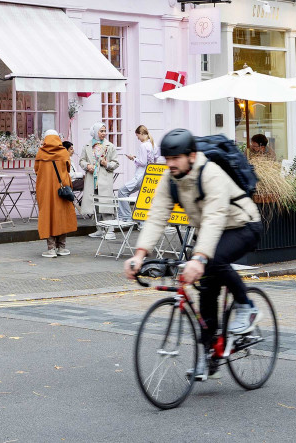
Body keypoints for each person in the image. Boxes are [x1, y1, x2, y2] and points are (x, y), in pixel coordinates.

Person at [124, 129, 263, 381]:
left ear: (191, 155)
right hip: (214, 233)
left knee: (213, 260)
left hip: (243, 224)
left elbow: (214, 217)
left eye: (176, 158)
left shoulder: (210, 174)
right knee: (206, 292)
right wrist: (140, 254)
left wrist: (199, 258)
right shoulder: (170, 179)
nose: (170, 163)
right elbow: (156, 216)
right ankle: (210, 355)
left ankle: (246, 306)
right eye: (167, 158)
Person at [35, 131, 79, 257]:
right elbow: (68, 168)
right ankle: (62, 247)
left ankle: (51, 249)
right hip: (61, 190)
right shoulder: (63, 152)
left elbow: (36, 170)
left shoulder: (41, 152)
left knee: (48, 216)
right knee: (62, 216)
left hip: (46, 190)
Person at [81, 122, 119, 239]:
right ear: (95, 132)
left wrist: (106, 164)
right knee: (95, 205)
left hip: (104, 179)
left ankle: (110, 230)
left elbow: (116, 163)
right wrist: (87, 166)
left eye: (104, 131)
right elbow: (81, 160)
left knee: (106, 204)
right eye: (101, 131)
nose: (104, 133)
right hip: (92, 179)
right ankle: (100, 229)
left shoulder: (110, 146)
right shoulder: (87, 146)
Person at [116, 125, 157, 222]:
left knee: (122, 191)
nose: (137, 138)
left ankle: (126, 217)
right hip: (149, 175)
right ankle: (140, 220)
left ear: (141, 134)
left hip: (140, 175)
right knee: (141, 197)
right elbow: (153, 160)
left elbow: (142, 162)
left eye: (137, 135)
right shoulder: (153, 145)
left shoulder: (143, 146)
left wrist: (133, 158)